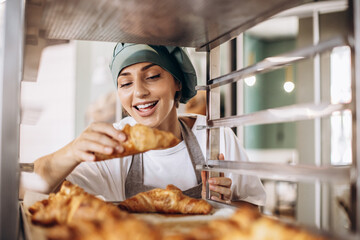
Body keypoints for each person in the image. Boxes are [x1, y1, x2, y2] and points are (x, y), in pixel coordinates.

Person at [34, 43, 266, 205]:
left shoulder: (214, 135)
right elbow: (38, 185)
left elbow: (253, 206)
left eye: (153, 76)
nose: (139, 92)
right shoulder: (113, 144)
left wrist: (220, 206)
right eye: (125, 83)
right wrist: (72, 151)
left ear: (177, 82)